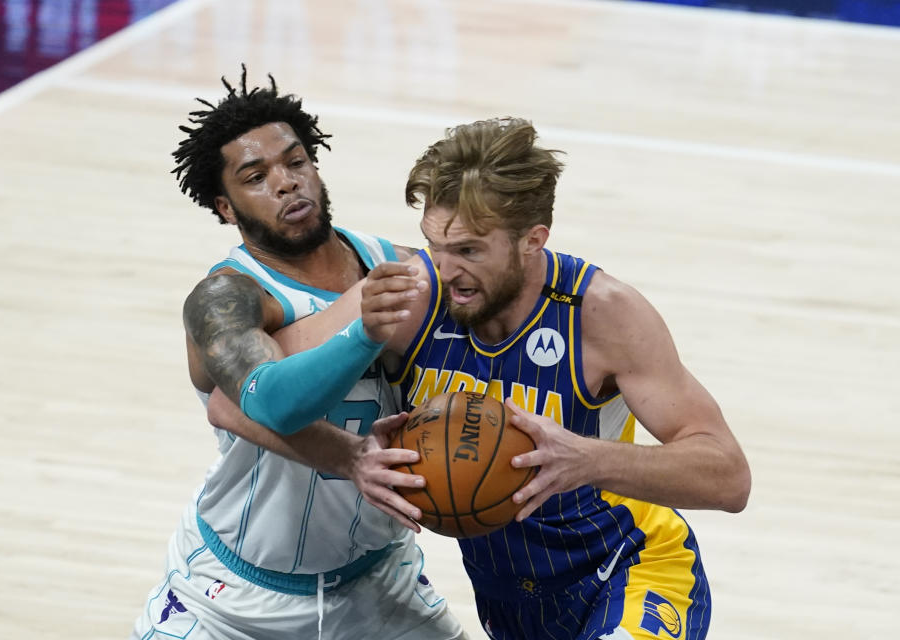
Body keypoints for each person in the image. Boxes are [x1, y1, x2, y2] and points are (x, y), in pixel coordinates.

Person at [270, 117, 751, 640]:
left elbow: (729, 476)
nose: (445, 268)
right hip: (509, 600)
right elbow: (246, 394)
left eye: (470, 250)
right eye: (434, 243)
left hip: (631, 569)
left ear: (532, 240)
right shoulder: (414, 297)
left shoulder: (602, 314)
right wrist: (349, 454)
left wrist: (588, 459)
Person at [129, 67, 466, 640]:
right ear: (225, 208)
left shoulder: (401, 265)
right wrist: (360, 344)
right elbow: (267, 403)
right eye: (256, 177)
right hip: (231, 600)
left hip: (378, 587)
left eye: (296, 161)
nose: (287, 183)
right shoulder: (226, 299)